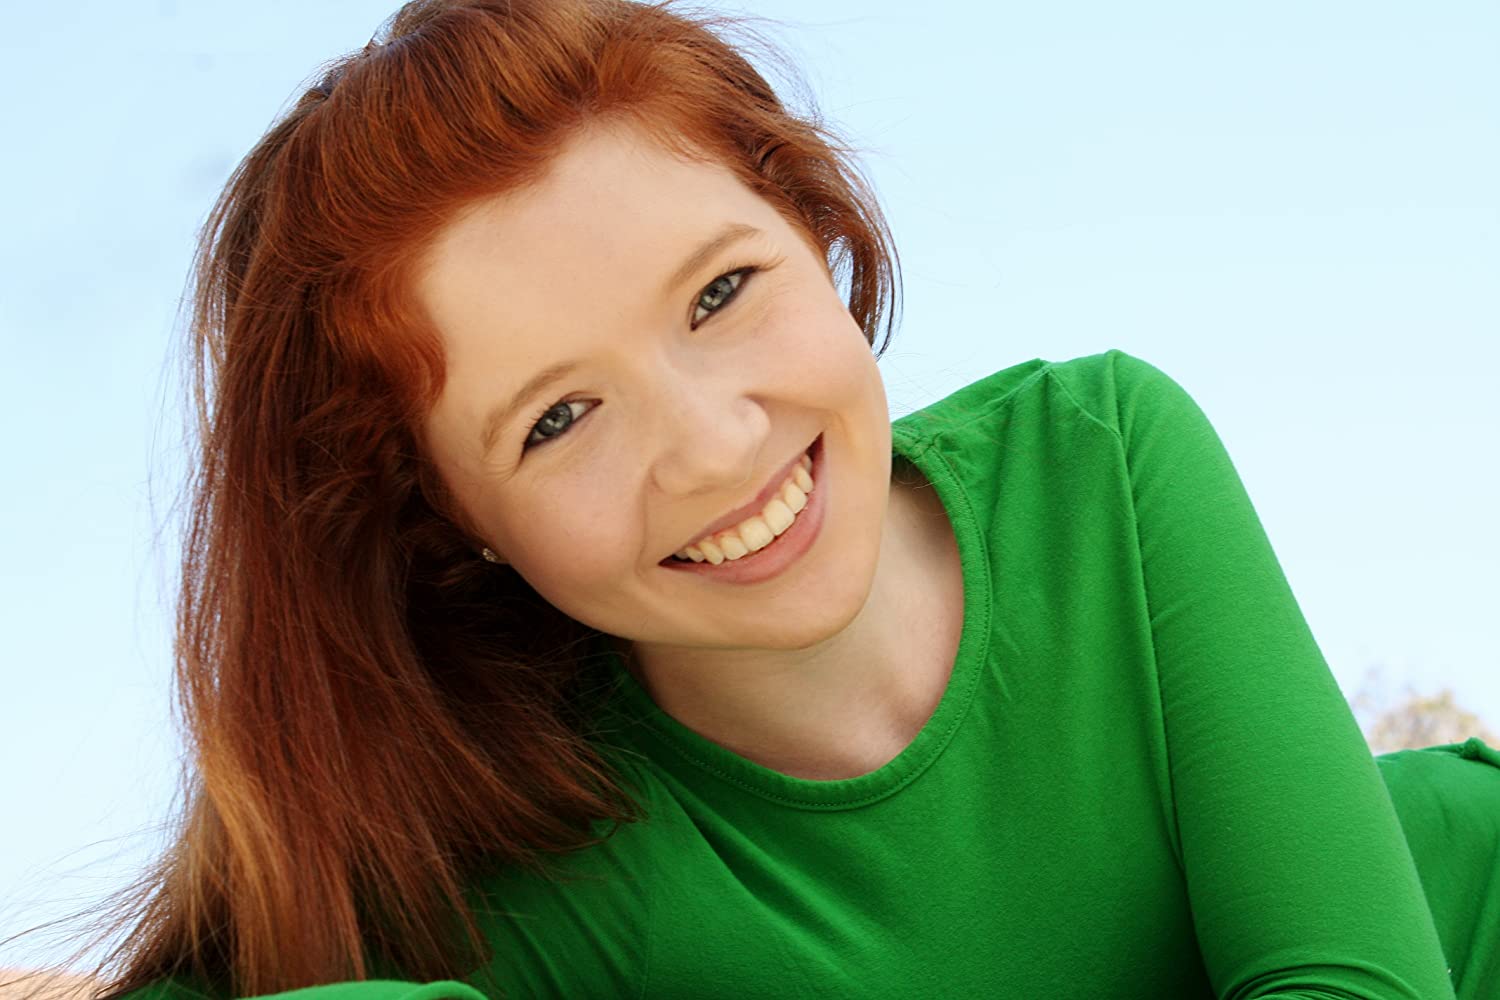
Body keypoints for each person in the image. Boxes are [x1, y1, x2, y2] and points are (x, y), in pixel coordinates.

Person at [7, 1, 1496, 998]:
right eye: (559, 421)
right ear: (443, 522)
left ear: (817, 223)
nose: (714, 447)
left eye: (721, 292)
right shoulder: (527, 865)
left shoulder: (1097, 452)